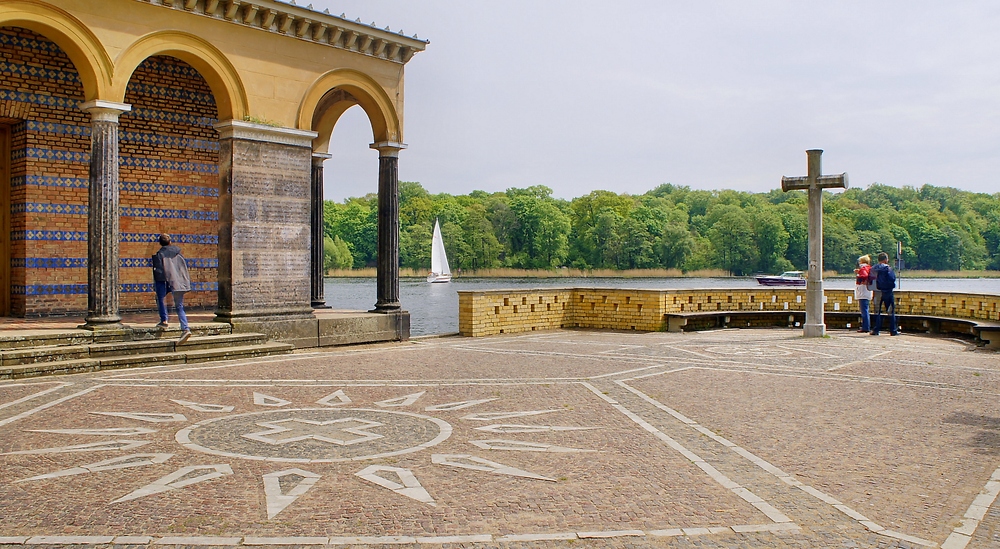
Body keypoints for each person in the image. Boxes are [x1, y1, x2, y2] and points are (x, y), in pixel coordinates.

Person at [153, 234, 192, 344]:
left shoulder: (160, 254)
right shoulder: (178, 252)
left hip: (166, 281)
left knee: (160, 298)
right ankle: (185, 329)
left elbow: (160, 272)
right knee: (179, 306)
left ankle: (164, 320)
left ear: (160, 243)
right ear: (170, 242)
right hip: (178, 282)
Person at [869, 251, 898, 336]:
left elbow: (870, 280)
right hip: (887, 291)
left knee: (877, 311)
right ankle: (893, 330)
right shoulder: (888, 268)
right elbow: (892, 278)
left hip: (877, 291)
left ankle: (876, 330)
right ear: (885, 260)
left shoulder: (873, 268)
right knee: (890, 311)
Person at [853, 255, 872, 333]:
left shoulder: (863, 268)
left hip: (862, 292)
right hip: (868, 291)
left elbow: (864, 276)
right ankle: (866, 326)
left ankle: (865, 327)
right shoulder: (870, 268)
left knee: (864, 310)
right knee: (866, 309)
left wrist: (860, 277)